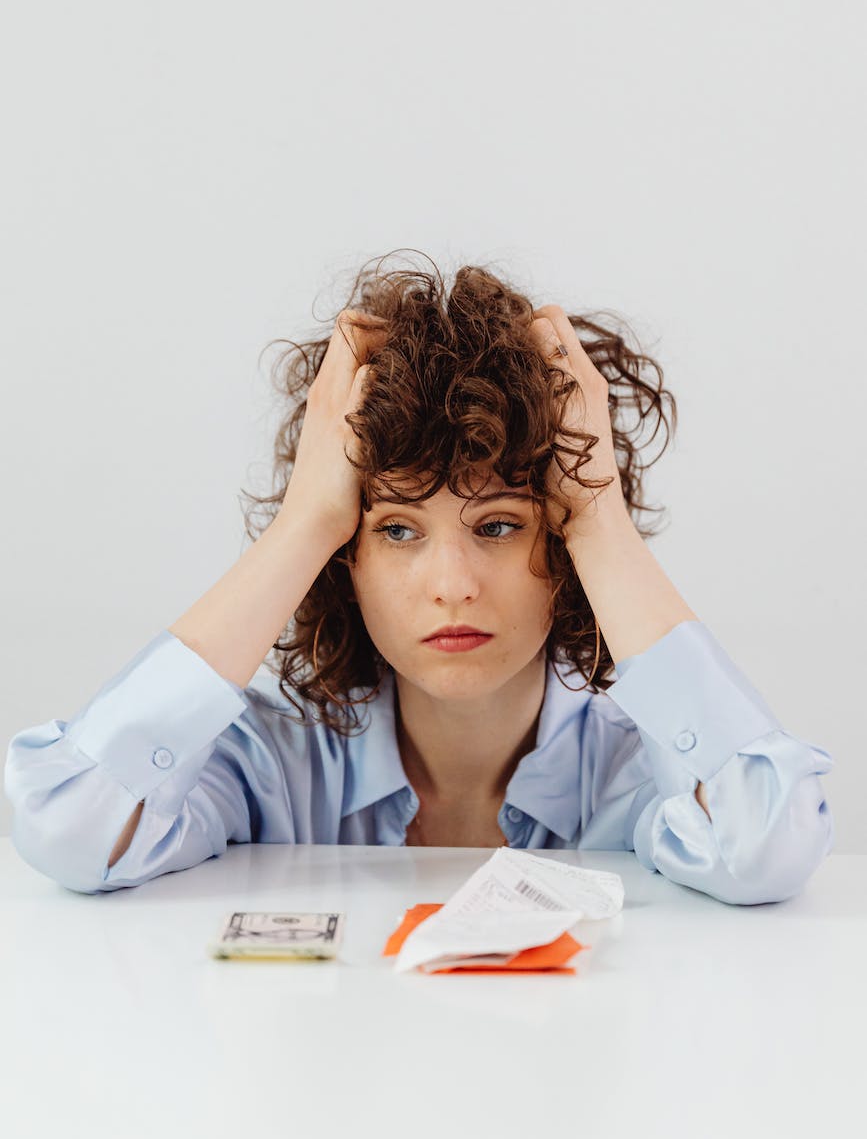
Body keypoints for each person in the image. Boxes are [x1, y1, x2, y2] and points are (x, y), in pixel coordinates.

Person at [4, 252, 834, 902]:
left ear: (566, 551)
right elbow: (73, 831)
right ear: (346, 562)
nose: (452, 585)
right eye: (397, 530)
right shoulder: (272, 765)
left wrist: (597, 510)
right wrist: (306, 522)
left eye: (500, 527)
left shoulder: (634, 773)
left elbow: (762, 848)